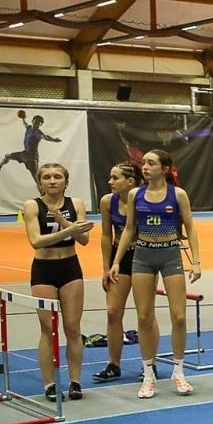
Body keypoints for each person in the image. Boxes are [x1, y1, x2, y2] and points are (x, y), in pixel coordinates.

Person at [111, 148, 202, 399]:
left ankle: (178, 370)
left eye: (151, 163)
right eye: (144, 163)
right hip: (143, 257)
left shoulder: (177, 194)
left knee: (179, 316)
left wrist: (196, 261)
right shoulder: (134, 194)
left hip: (170, 255)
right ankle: (148, 373)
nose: (145, 167)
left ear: (164, 169)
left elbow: (191, 227)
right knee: (143, 316)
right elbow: (129, 230)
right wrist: (117, 261)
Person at [22, 162, 93, 401]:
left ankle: (75, 381)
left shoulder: (77, 204)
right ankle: (50, 383)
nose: (52, 181)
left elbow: (83, 239)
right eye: (47, 177)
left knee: (73, 328)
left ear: (66, 181)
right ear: (40, 182)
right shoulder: (32, 205)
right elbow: (36, 241)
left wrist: (64, 223)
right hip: (43, 269)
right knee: (47, 329)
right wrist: (67, 230)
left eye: (57, 177)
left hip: (70, 268)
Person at [94, 161, 141, 383]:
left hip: (142, 257)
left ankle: (149, 363)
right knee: (113, 312)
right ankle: (114, 364)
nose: (110, 182)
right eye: (110, 177)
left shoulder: (143, 199)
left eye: (115, 178)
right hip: (117, 259)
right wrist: (105, 266)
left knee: (145, 313)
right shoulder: (107, 201)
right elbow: (105, 234)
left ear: (130, 181)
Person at [0, 111, 61, 184]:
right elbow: (25, 124)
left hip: (32, 158)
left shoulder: (38, 132)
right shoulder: (29, 128)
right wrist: (23, 119)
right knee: (7, 156)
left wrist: (54, 140)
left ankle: (44, 192)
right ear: (32, 121)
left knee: (36, 179)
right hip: (24, 154)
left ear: (40, 124)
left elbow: (45, 137)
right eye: (36, 122)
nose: (37, 124)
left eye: (39, 123)